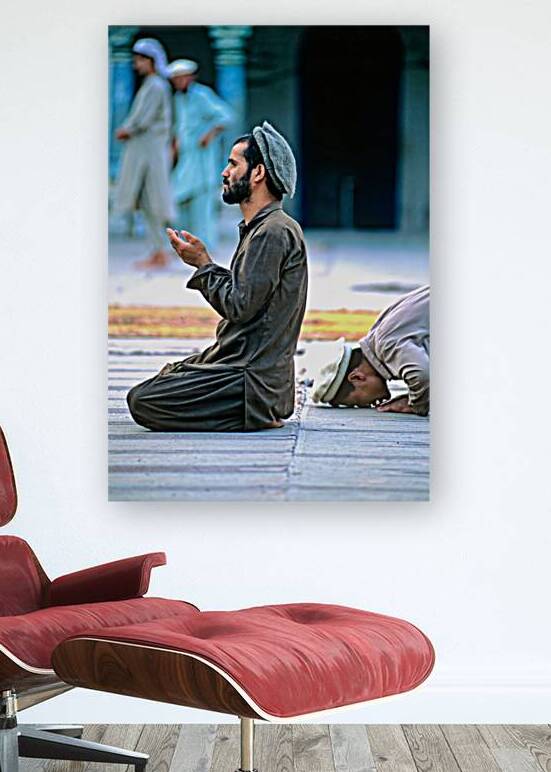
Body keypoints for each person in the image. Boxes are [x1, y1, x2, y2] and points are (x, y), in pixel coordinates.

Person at [127, 121, 308, 432]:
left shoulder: (272, 232)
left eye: (233, 164)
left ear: (258, 173)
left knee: (142, 400)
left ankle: (256, 414)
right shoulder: (265, 228)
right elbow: (249, 300)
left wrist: (203, 265)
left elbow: (239, 306)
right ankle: (256, 408)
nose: (225, 173)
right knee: (171, 376)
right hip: (250, 372)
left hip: (250, 380)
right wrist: (204, 264)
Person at [312, 285, 430, 415]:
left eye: (356, 403)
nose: (367, 405)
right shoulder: (380, 333)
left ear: (356, 377)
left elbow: (423, 375)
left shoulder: (386, 344)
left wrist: (416, 404)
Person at [114, 38, 174, 269]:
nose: (136, 65)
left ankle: (161, 252)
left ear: (150, 61)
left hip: (151, 151)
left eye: (139, 60)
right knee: (147, 201)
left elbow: (143, 119)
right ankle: (157, 249)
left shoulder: (156, 86)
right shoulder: (151, 85)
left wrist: (127, 129)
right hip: (144, 150)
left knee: (156, 200)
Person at [166, 59, 233, 255]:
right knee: (179, 198)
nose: (178, 82)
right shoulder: (179, 99)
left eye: (181, 78)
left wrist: (209, 134)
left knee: (202, 204)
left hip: (201, 159)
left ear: (189, 77)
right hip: (186, 159)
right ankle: (185, 244)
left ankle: (205, 247)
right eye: (175, 79)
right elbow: (180, 126)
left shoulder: (202, 94)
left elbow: (226, 116)